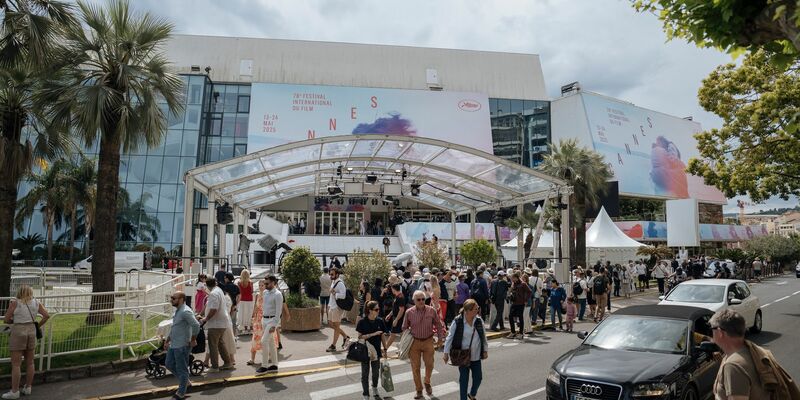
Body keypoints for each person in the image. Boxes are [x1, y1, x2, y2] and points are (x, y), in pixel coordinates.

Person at [711, 309, 772, 399]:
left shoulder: (733, 366)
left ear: (720, 332)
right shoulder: (751, 351)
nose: (711, 333)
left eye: (712, 329)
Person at [2, 285, 49, 400]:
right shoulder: (36, 302)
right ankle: (28, 387)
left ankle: (15, 391)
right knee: (30, 362)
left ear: (20, 292)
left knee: (16, 364)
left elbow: (6, 319)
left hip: (18, 331)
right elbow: (46, 315)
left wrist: (14, 320)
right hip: (32, 331)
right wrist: (38, 325)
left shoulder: (15, 303)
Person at [403, 290, 447, 400]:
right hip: (414, 343)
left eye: (423, 299)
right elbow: (404, 327)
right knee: (415, 367)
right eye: (418, 299)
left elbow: (438, 324)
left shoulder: (431, 310)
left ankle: (427, 382)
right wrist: (407, 338)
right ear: (414, 301)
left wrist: (440, 338)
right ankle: (419, 390)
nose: (421, 301)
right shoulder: (409, 312)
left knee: (430, 364)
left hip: (428, 341)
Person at [443, 299, 488, 400]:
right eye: (475, 309)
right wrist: (445, 353)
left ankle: (472, 394)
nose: (477, 310)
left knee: (478, 378)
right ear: (467, 311)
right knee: (464, 380)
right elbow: (450, 337)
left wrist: (485, 350)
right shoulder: (458, 321)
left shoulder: (479, 320)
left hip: (476, 356)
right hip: (463, 356)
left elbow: (483, 337)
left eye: (477, 308)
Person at [165, 291, 200, 400]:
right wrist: (167, 340)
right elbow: (175, 327)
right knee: (169, 364)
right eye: (171, 298)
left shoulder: (185, 311)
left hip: (182, 346)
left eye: (173, 298)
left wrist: (193, 339)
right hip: (174, 344)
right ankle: (186, 382)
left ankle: (181, 392)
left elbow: (196, 325)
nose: (171, 300)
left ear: (181, 299)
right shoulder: (178, 311)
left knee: (182, 369)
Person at [198, 278, 233, 371]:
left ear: (207, 285)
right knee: (220, 344)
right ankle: (228, 363)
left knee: (212, 345)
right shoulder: (219, 290)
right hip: (222, 322)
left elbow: (214, 309)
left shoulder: (213, 293)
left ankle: (214, 366)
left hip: (216, 323)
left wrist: (205, 319)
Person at [357, 301, 387, 400]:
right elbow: (360, 337)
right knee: (365, 374)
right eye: (376, 309)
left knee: (375, 373)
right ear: (370, 311)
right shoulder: (362, 322)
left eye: (378, 309)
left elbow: (382, 336)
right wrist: (373, 334)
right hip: (365, 351)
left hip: (376, 351)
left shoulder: (380, 321)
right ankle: (366, 394)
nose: (378, 311)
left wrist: (385, 348)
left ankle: (374, 387)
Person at [256, 275, 283, 375]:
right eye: (265, 283)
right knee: (271, 342)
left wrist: (274, 325)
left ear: (273, 283)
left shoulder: (278, 294)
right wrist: (262, 319)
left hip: (272, 320)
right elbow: (265, 306)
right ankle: (274, 365)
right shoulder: (265, 292)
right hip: (265, 319)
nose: (265, 285)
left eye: (267, 283)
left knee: (264, 341)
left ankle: (264, 366)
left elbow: (279, 312)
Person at [327, 268, 350, 352]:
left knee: (336, 326)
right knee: (330, 323)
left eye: (332, 274)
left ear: (337, 274)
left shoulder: (340, 283)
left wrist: (334, 293)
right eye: (330, 274)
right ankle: (345, 336)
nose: (330, 276)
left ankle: (333, 345)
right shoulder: (333, 281)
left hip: (337, 307)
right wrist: (329, 305)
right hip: (332, 306)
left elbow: (343, 295)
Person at [248, 279, 266, 366]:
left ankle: (268, 356)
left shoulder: (268, 295)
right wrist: (253, 316)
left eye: (262, 285)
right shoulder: (257, 295)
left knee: (265, 338)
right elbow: (255, 306)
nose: (260, 287)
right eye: (259, 285)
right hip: (258, 319)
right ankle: (252, 359)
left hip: (265, 319)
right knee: (255, 337)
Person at [507, 272, 531, 339]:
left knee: (520, 318)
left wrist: (526, 300)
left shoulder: (523, 284)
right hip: (514, 302)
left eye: (513, 278)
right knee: (510, 316)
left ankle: (521, 333)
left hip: (521, 303)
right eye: (512, 279)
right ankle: (513, 332)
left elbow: (529, 291)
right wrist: (510, 293)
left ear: (516, 278)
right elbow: (511, 291)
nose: (512, 280)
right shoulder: (513, 284)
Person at [384, 283, 406, 354]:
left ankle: (385, 349)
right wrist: (390, 315)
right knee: (402, 334)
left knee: (393, 334)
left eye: (392, 289)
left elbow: (401, 310)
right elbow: (395, 308)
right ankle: (403, 349)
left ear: (394, 289)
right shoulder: (397, 296)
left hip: (398, 318)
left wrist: (396, 319)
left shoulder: (400, 297)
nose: (391, 290)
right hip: (396, 317)